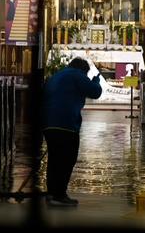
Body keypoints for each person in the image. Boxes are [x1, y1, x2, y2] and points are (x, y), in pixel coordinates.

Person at [42, 57, 102, 206]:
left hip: (49, 123)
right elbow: (95, 92)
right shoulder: (77, 75)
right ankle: (59, 195)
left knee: (54, 160)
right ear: (83, 70)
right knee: (67, 160)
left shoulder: (57, 75)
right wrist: (96, 81)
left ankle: (52, 193)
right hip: (66, 124)